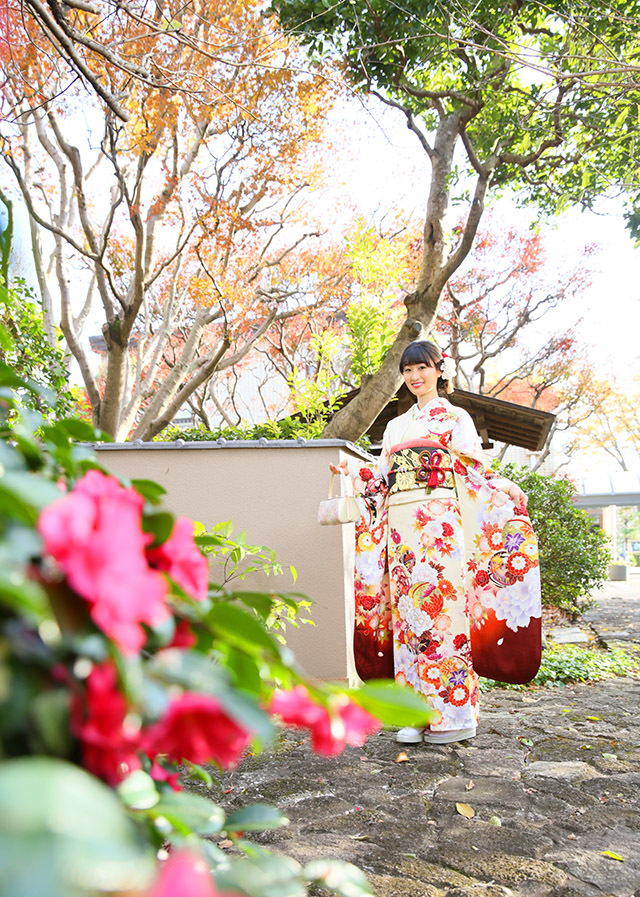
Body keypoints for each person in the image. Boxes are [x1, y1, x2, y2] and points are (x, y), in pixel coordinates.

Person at [330, 340, 540, 745]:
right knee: (409, 619)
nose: (415, 377)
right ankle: (416, 714)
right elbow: (382, 478)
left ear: (440, 370)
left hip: (441, 528)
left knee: (445, 616)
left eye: (422, 368)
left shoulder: (455, 418)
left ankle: (455, 716)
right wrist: (351, 472)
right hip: (402, 532)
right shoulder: (395, 427)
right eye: (408, 371)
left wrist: (503, 486)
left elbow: (473, 469)